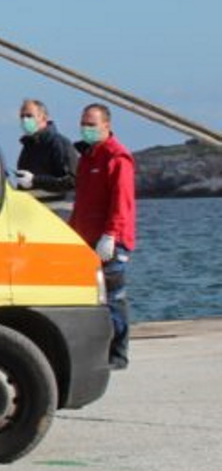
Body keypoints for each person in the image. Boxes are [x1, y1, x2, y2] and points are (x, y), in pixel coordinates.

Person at [68, 104, 135, 370]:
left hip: (110, 241)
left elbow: (122, 202)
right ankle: (99, 348)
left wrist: (111, 235)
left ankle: (119, 352)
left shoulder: (116, 158)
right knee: (92, 297)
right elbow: (82, 202)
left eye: (92, 123)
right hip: (86, 238)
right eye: (84, 122)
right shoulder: (88, 158)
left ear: (106, 126)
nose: (86, 128)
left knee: (114, 296)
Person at [14, 98, 76, 194]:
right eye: (22, 116)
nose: (25, 120)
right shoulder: (28, 146)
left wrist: (35, 180)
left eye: (29, 116)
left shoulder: (59, 144)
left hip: (56, 206)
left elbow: (71, 181)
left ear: (44, 118)